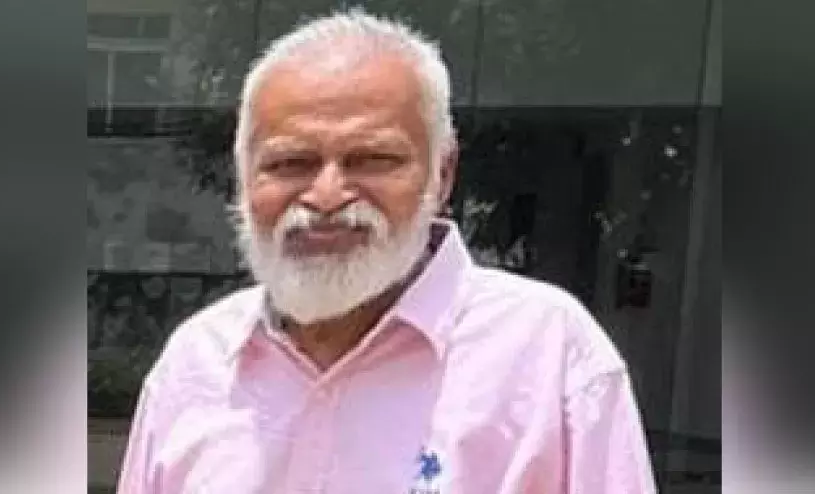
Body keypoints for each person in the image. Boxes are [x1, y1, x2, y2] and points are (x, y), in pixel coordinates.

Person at [117, 10, 656, 494]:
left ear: (442, 174)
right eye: (290, 164)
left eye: (372, 160)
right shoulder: (194, 365)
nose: (327, 196)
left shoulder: (549, 357)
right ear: (243, 179)